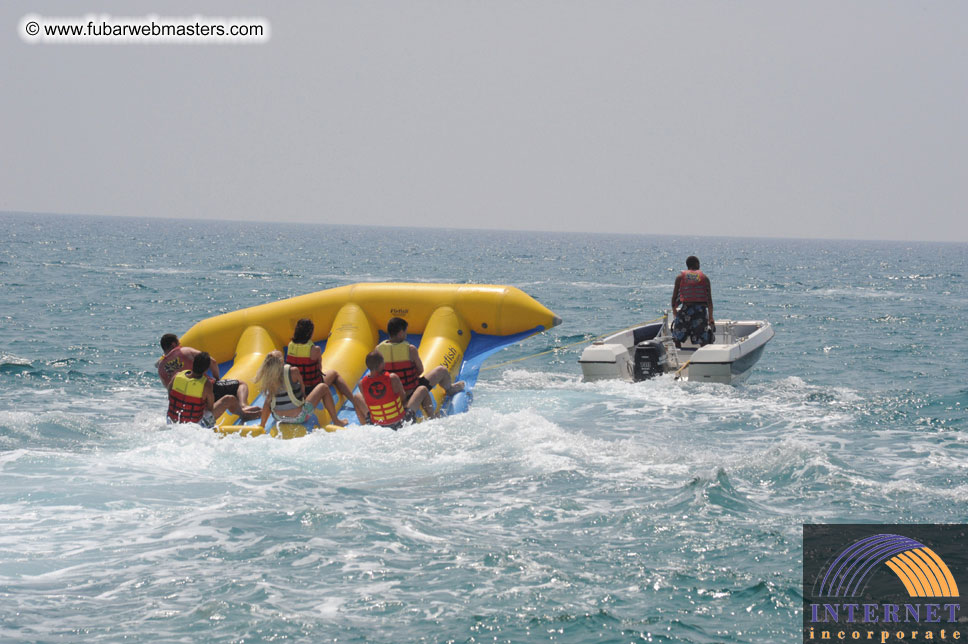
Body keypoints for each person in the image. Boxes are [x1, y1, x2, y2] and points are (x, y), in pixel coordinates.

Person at [156, 333, 260, 418]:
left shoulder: (162, 368)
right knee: (241, 384)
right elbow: (213, 361)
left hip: (182, 410)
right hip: (204, 400)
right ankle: (243, 406)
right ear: (174, 345)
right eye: (179, 343)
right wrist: (217, 379)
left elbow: (170, 391)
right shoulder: (185, 351)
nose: (180, 345)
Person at [284, 318, 367, 423]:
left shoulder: (290, 345)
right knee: (334, 374)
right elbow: (319, 368)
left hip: (296, 387)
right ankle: (354, 402)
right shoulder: (315, 349)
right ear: (310, 332)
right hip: (312, 387)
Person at [376, 317, 465, 413]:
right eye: (405, 332)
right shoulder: (410, 349)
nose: (406, 334)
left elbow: (378, 373)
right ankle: (449, 389)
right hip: (412, 392)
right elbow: (420, 370)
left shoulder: (378, 350)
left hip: (391, 395)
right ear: (401, 332)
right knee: (442, 370)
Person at [255, 351, 350, 429]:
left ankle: (262, 425)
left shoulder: (268, 377)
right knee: (323, 387)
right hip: (299, 417)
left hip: (278, 418)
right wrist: (305, 397)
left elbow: (268, 403)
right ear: (281, 361)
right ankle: (337, 421)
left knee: (269, 397)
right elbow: (302, 388)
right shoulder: (293, 371)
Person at [167, 352, 255, 426]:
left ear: (193, 363)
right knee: (229, 399)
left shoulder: (177, 376)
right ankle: (244, 415)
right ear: (206, 370)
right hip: (197, 425)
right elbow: (210, 407)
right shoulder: (206, 384)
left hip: (172, 421)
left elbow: (169, 393)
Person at [359, 350, 436, 430]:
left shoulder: (361, 383)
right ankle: (433, 418)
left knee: (356, 396)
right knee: (422, 389)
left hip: (377, 425)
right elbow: (403, 399)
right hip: (400, 423)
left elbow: (368, 400)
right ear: (381, 364)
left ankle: (364, 426)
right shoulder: (392, 378)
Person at [670, 255, 715, 347]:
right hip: (700, 311)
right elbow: (709, 300)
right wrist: (711, 317)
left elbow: (674, 298)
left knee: (677, 336)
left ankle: (678, 354)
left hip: (686, 309)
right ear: (697, 264)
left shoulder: (680, 278)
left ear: (687, 265)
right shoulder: (705, 278)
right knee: (702, 337)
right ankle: (704, 356)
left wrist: (674, 311)